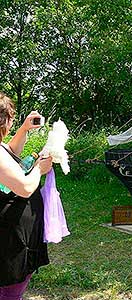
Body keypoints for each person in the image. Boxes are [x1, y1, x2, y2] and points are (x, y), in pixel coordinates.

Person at [0, 92, 53, 299]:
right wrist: (39, 169)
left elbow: (10, 151)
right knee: (8, 292)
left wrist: (24, 129)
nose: (12, 123)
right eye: (12, 119)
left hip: (12, 235)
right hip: (8, 241)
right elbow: (24, 187)